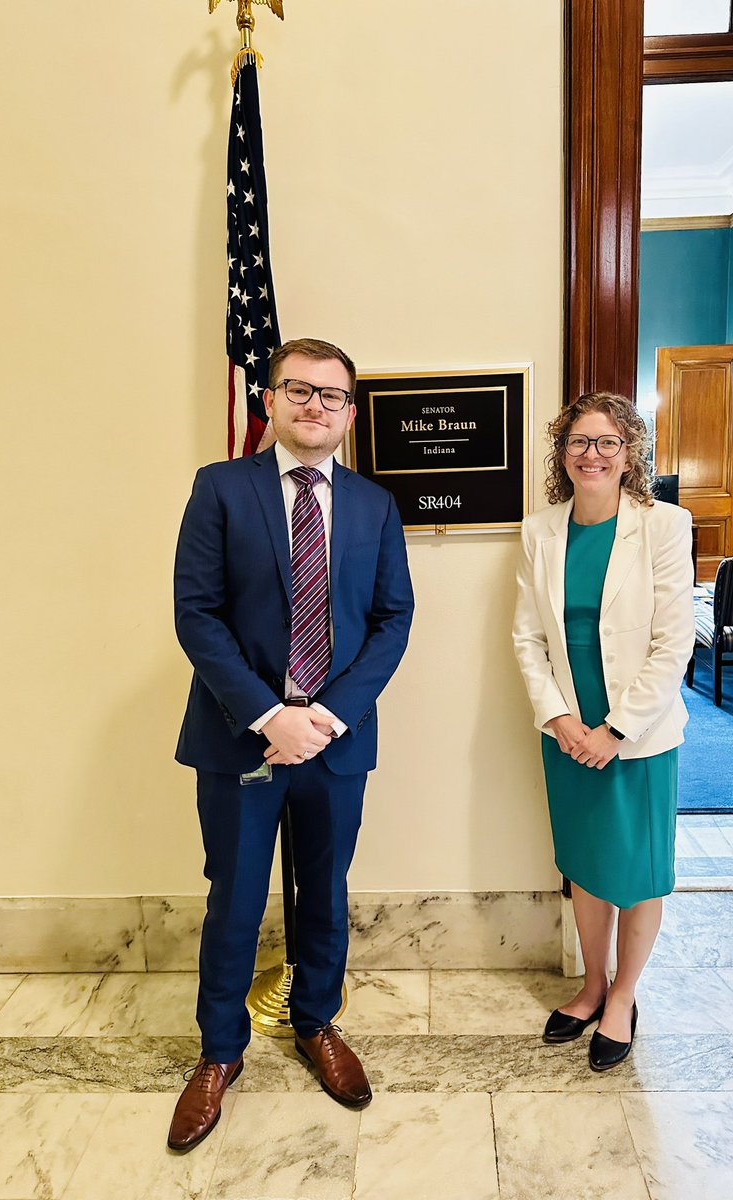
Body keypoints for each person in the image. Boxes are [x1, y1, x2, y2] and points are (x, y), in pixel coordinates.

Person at [169, 337, 414, 1151]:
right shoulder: (221, 488)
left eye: (333, 396)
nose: (316, 406)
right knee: (234, 896)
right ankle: (218, 1053)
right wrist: (271, 717)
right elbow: (195, 613)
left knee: (325, 891)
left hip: (336, 743)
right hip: (244, 739)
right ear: (269, 400)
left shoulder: (376, 505)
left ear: (349, 413)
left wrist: (326, 717)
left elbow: (392, 619)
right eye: (300, 390)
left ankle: (317, 1023)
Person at [513, 391, 694, 1071]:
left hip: (638, 736)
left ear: (629, 454)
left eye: (607, 442)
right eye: (579, 442)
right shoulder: (541, 531)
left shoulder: (666, 526)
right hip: (566, 731)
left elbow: (673, 645)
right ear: (562, 453)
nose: (592, 455)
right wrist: (561, 719)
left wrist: (614, 731)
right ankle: (590, 985)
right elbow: (527, 638)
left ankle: (624, 995)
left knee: (639, 872)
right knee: (586, 868)